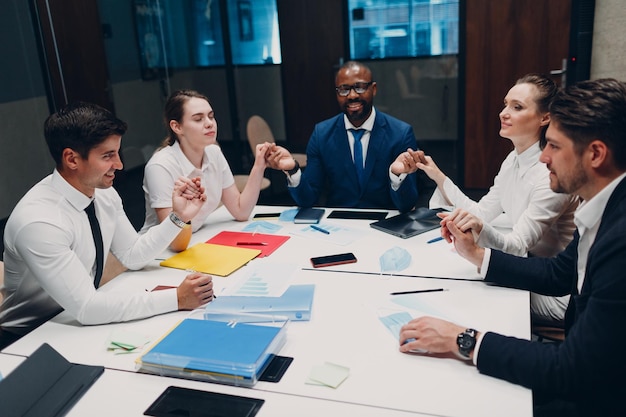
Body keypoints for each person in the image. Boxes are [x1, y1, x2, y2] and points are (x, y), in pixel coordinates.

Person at [399, 78, 626, 416]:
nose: (544, 157)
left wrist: (464, 340)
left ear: (595, 154)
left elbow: (573, 370)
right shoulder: (603, 206)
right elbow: (557, 272)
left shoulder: (620, 240)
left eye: (554, 147)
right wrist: (478, 255)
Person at [0, 102, 214, 349]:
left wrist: (177, 218)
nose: (120, 165)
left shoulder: (102, 193)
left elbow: (132, 255)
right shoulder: (39, 221)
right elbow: (87, 309)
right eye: (107, 155)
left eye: (117, 153)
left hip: (74, 318)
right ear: (71, 159)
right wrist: (176, 298)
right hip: (27, 338)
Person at [415, 74, 579, 324]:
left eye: (517, 107)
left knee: (463, 296)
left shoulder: (551, 174)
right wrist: (437, 175)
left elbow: (517, 246)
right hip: (528, 267)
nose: (504, 113)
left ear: (544, 118)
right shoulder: (513, 159)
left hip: (555, 288)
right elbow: (482, 211)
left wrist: (478, 229)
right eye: (506, 104)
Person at [265, 61, 420, 212]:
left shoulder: (400, 133)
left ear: (373, 89)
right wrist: (293, 170)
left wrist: (396, 175)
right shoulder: (322, 134)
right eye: (344, 90)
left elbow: (407, 204)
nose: (352, 96)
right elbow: (308, 198)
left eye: (359, 88)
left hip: (385, 224)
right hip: (339, 226)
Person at [141, 90, 271, 251]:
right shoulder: (160, 166)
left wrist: (259, 166)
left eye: (211, 116)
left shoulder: (213, 152)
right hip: (159, 252)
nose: (210, 123)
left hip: (196, 239)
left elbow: (241, 210)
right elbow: (175, 243)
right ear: (176, 126)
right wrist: (183, 213)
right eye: (198, 119)